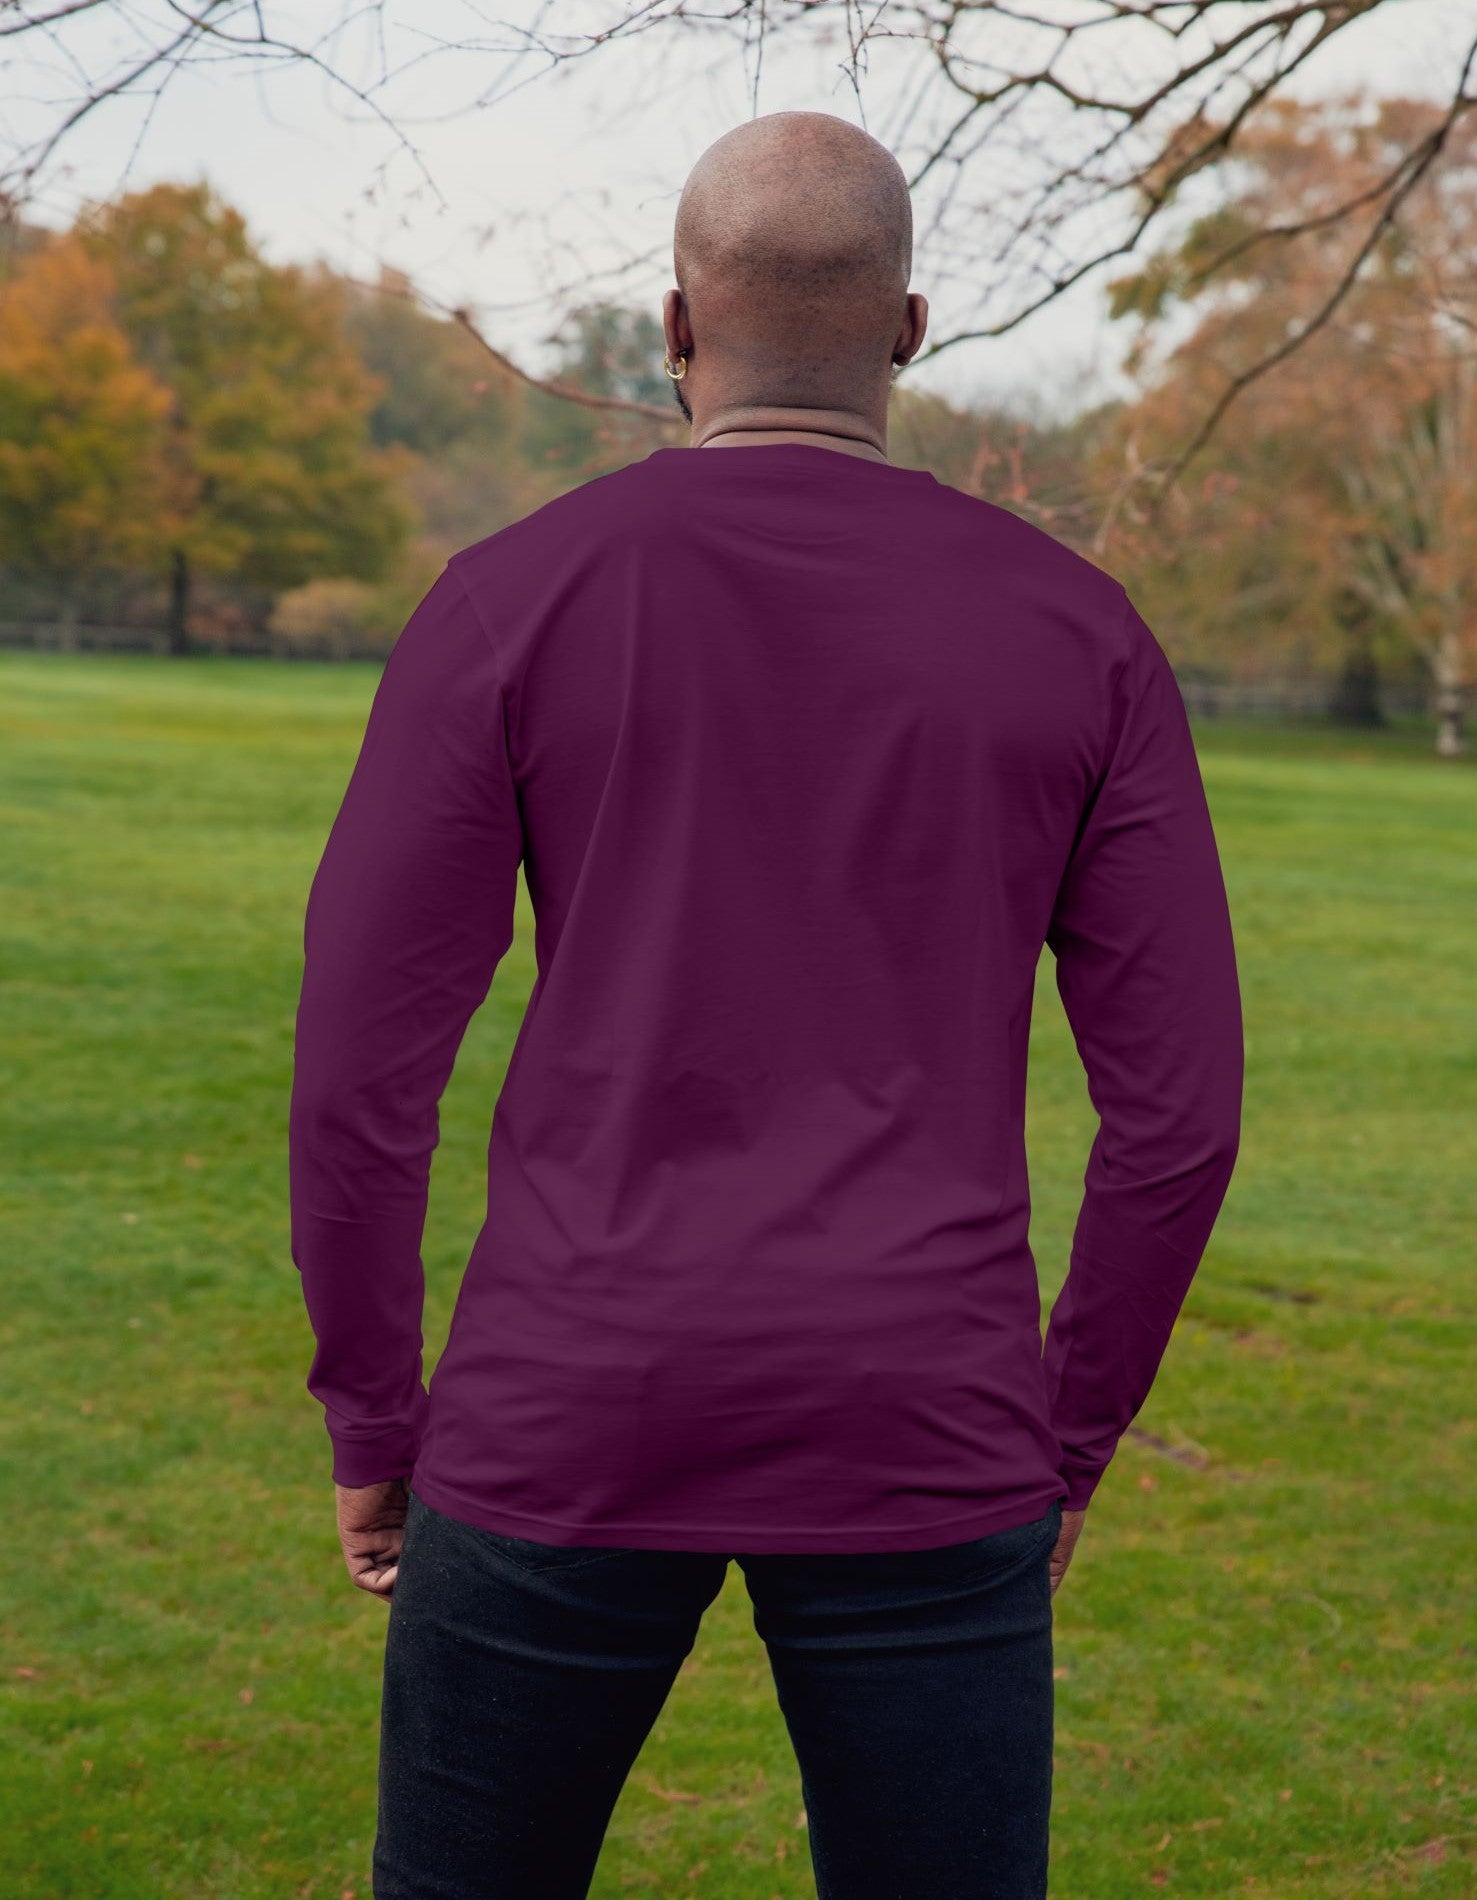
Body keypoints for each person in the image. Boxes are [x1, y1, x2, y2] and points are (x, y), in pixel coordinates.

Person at [288, 109, 1243, 1900]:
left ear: (671, 329)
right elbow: (1179, 1120)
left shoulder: (510, 602)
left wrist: (372, 1416)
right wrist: (1071, 1438)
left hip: (564, 1402)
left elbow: (358, 1075)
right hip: (927, 1420)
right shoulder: (1082, 635)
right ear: (909, 328)